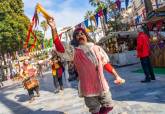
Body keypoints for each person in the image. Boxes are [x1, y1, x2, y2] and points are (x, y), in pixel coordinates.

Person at [48, 18, 125, 114]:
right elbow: (58, 45)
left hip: (102, 86)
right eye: (77, 35)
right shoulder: (74, 51)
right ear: (75, 38)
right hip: (88, 89)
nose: (79, 35)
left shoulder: (97, 48)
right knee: (95, 111)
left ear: (86, 36)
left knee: (109, 106)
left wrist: (116, 75)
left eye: (82, 34)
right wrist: (53, 28)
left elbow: (106, 64)